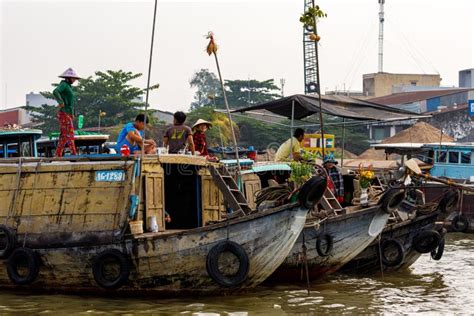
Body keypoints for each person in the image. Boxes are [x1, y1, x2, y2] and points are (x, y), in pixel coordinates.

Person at [53, 68, 80, 157]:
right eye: (73, 78)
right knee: (70, 133)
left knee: (64, 135)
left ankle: (58, 154)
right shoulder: (64, 84)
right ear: (68, 78)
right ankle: (74, 154)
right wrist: (61, 102)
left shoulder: (69, 87)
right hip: (63, 113)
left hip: (67, 114)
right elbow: (55, 91)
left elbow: (71, 102)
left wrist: (72, 114)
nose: (74, 80)